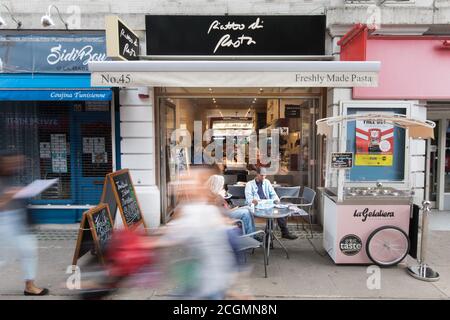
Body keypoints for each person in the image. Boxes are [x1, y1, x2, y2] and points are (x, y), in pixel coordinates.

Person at [0, 151, 49, 296]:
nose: (17, 165)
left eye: (18, 162)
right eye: (13, 162)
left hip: (20, 219)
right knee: (5, 259)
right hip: (5, 221)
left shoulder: (13, 177)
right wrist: (8, 197)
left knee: (29, 252)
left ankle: (30, 286)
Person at [245, 167, 298, 240]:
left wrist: (276, 199)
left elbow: (273, 194)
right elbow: (248, 199)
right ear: (257, 174)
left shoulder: (267, 182)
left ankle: (283, 233)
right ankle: (268, 236)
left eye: (265, 175)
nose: (263, 177)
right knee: (271, 214)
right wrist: (253, 201)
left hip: (267, 204)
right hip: (257, 207)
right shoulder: (249, 184)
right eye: (261, 175)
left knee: (279, 210)